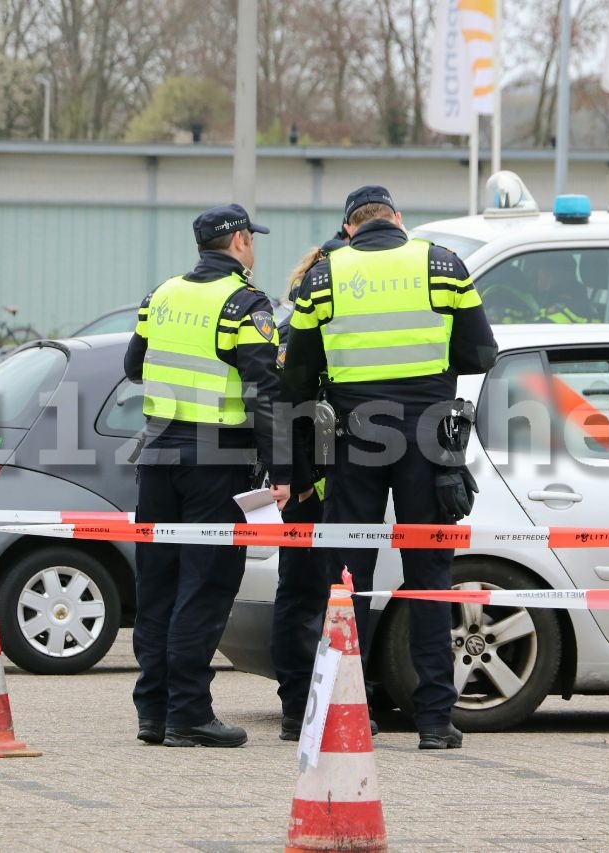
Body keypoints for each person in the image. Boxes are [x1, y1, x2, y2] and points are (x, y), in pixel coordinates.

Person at [274, 185, 497, 750]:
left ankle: (347, 711)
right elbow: (481, 354)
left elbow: (297, 372)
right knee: (429, 579)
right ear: (399, 220)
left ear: (349, 227)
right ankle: (434, 722)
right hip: (429, 439)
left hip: (355, 440)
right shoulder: (443, 264)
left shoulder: (325, 276)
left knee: (347, 581)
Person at [123, 202, 280, 748]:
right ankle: (188, 713)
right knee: (205, 587)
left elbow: (133, 367)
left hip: (159, 454)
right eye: (251, 239)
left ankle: (154, 712)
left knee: (159, 585)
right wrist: (282, 468)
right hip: (217, 461)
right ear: (238, 241)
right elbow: (265, 391)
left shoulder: (161, 295)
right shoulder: (244, 303)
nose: (253, 248)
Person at [268, 240, 363, 742]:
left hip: (341, 487)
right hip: (309, 491)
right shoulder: (295, 331)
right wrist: (299, 481)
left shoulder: (345, 328)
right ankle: (297, 705)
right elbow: (284, 412)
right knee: (302, 595)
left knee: (336, 597)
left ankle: (333, 699)